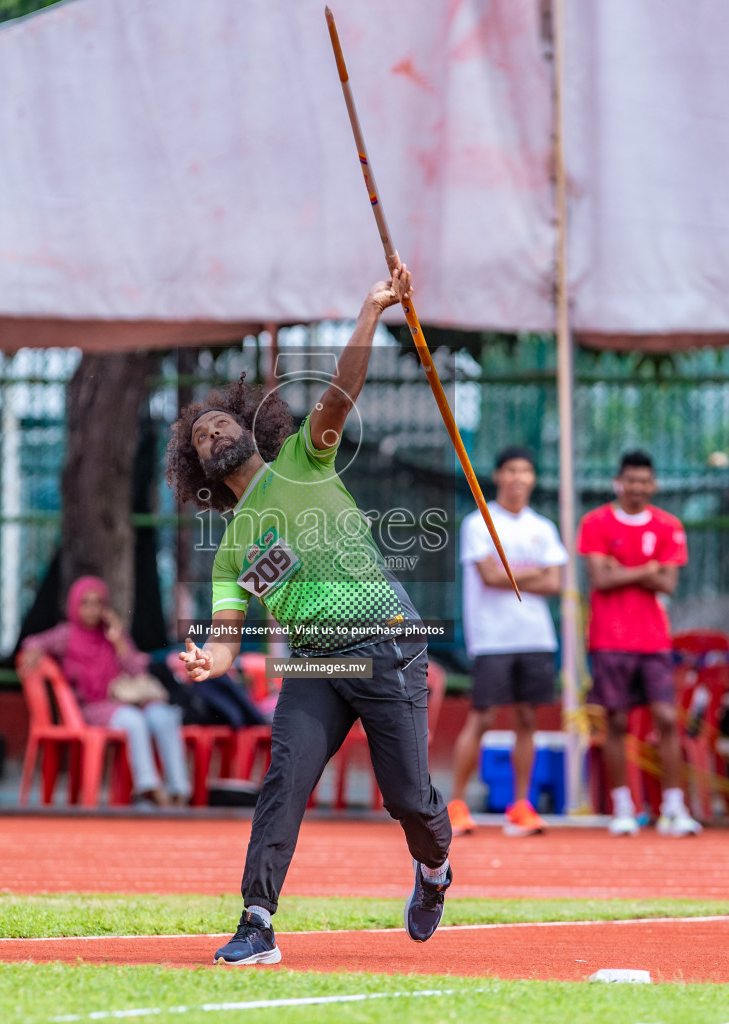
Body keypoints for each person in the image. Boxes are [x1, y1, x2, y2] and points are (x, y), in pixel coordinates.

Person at [170, 256, 452, 965]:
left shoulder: (304, 457)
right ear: (199, 468)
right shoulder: (230, 550)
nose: (210, 434)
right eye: (200, 437)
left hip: (384, 644)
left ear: (245, 426)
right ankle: (257, 922)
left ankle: (434, 869)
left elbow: (343, 387)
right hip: (317, 666)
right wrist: (213, 658)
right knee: (283, 782)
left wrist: (371, 307)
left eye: (217, 423)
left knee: (410, 802)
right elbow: (229, 637)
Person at [576, 450, 701, 836]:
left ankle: (674, 808)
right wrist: (647, 569)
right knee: (616, 722)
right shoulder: (595, 522)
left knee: (666, 719)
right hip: (609, 639)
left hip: (654, 641)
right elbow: (601, 579)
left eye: (644, 481)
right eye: (630, 480)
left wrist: (622, 569)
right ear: (618, 482)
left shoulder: (668, 526)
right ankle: (623, 807)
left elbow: (667, 583)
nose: (636, 487)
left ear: (654, 484)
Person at [448, 446, 567, 838]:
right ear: (498, 476)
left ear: (533, 479)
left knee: (528, 720)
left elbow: (556, 582)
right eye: (511, 470)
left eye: (526, 472)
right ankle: (457, 804)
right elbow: (490, 577)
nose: (518, 478)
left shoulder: (543, 527)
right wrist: (531, 573)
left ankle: (520, 806)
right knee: (481, 717)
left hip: (535, 637)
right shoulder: (478, 523)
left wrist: (513, 572)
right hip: (492, 639)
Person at [18, 575, 192, 807]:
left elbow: (137, 670)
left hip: (127, 701)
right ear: (75, 605)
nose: (91, 609)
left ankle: (179, 791)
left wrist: (117, 639)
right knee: (134, 721)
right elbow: (32, 642)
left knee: (162, 716)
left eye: (97, 603)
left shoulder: (113, 636)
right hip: (92, 707)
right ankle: (148, 787)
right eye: (85, 603)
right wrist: (35, 651)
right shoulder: (66, 635)